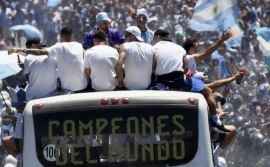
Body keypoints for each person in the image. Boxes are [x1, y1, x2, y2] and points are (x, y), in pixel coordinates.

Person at [151, 29, 230, 134]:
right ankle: (215, 121)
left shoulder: (153, 48)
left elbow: (153, 67)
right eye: (197, 47)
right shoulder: (181, 51)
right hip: (179, 80)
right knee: (207, 90)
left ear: (158, 37)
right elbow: (186, 67)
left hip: (162, 82)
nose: (199, 49)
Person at [8, 27, 88, 93]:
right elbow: (87, 55)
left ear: (60, 37)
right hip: (83, 86)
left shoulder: (59, 47)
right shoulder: (79, 46)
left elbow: (40, 52)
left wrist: (20, 49)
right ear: (72, 36)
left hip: (67, 90)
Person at [115, 26, 155, 90]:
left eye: (126, 36)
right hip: (147, 87)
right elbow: (154, 67)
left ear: (133, 36)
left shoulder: (125, 46)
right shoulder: (151, 48)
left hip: (128, 87)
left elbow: (120, 62)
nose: (125, 39)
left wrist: (118, 78)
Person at [2, 87, 26, 167]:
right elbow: (13, 111)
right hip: (18, 140)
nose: (16, 107)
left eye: (18, 105)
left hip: (24, 140)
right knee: (5, 141)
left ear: (24, 103)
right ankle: (20, 158)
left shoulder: (27, 112)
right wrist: (10, 110)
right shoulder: (19, 110)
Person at [212, 91, 237, 167]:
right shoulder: (210, 103)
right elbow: (220, 116)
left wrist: (220, 98)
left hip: (207, 130)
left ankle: (215, 155)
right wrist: (218, 102)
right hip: (209, 130)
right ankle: (215, 155)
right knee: (233, 130)